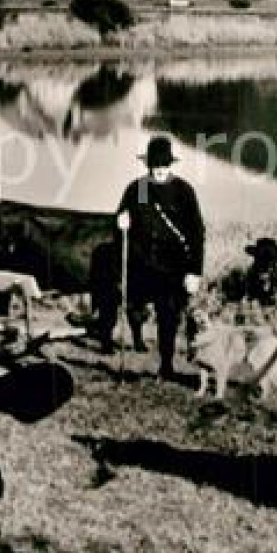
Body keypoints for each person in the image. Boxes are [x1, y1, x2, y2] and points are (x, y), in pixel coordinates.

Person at [94, 135, 205, 379]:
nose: (159, 171)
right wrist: (121, 222)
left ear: (170, 165)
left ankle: (167, 364)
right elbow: (129, 218)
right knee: (118, 295)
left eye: (164, 166)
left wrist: (194, 272)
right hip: (141, 264)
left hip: (172, 266)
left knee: (169, 317)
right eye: (155, 166)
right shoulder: (141, 188)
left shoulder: (183, 191)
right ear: (148, 165)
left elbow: (197, 234)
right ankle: (106, 336)